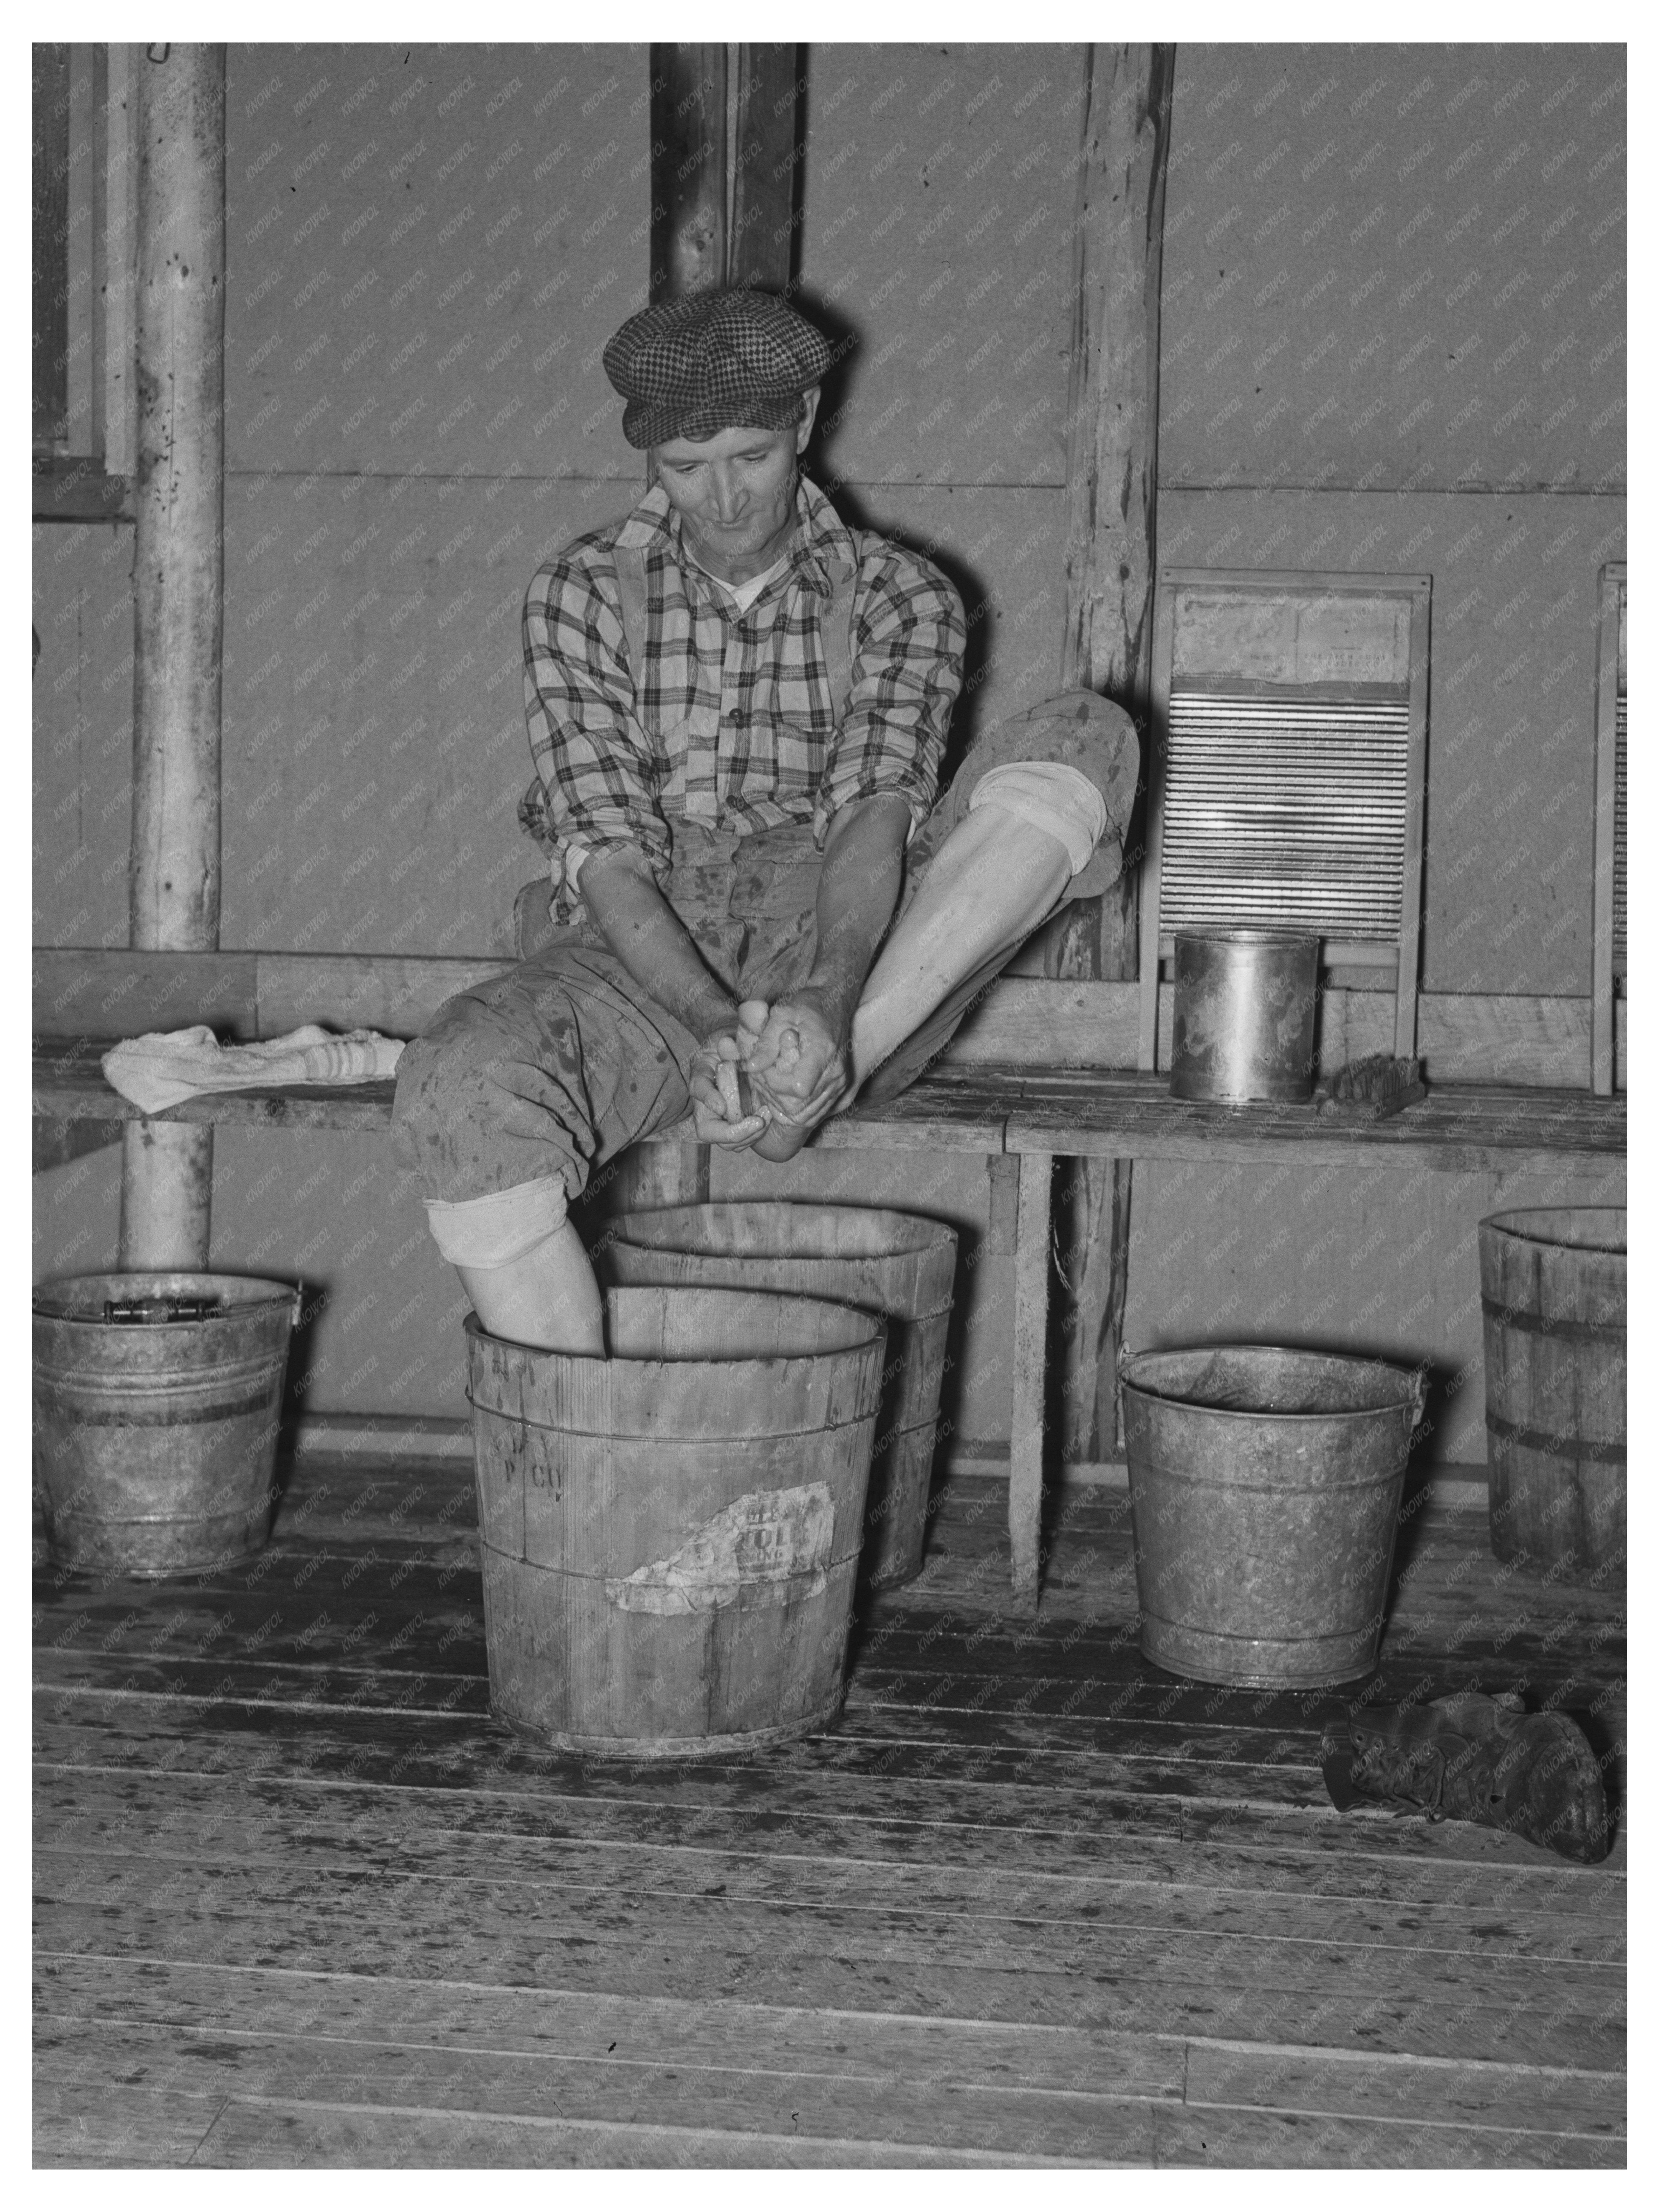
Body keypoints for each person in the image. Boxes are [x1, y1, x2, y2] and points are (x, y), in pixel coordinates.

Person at [392, 287, 1139, 1352]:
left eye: (749, 455)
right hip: (638, 949)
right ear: (648, 458)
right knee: (452, 1087)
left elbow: (871, 817)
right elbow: (603, 848)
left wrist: (832, 1006)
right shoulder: (578, 592)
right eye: (685, 470)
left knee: (1086, 734)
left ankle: (817, 1078)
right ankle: (596, 1446)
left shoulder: (902, 594)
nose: (725, 499)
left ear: (805, 419)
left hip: (852, 936)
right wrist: (707, 1029)